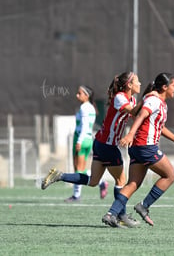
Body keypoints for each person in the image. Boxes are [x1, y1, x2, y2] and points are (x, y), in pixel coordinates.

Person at [42, 72, 143, 227]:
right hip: (107, 146)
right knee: (121, 181)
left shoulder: (131, 99)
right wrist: (150, 98)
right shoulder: (120, 97)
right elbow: (135, 111)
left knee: (93, 181)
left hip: (101, 143)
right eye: (137, 81)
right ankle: (120, 215)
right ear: (129, 85)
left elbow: (136, 115)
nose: (140, 83)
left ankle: (60, 175)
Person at [102, 72, 174, 228]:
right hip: (146, 146)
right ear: (164, 87)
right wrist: (130, 134)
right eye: (173, 85)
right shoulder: (154, 100)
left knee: (132, 184)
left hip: (139, 147)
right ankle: (144, 206)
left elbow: (160, 127)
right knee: (170, 175)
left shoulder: (160, 103)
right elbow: (140, 116)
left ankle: (111, 214)